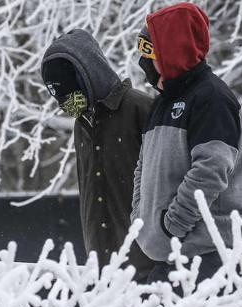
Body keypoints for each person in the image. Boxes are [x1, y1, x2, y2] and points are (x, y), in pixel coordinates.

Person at [131, 2, 242, 285]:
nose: (145, 63)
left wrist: (172, 225)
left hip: (213, 256)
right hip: (174, 256)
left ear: (173, 49)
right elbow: (143, 167)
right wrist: (140, 220)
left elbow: (211, 170)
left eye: (150, 52)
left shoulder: (212, 98)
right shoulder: (162, 104)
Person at [41, 28, 157, 279]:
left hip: (147, 264)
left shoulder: (140, 108)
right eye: (56, 93)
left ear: (88, 74)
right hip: (102, 266)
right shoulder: (81, 124)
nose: (63, 101)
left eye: (67, 89)